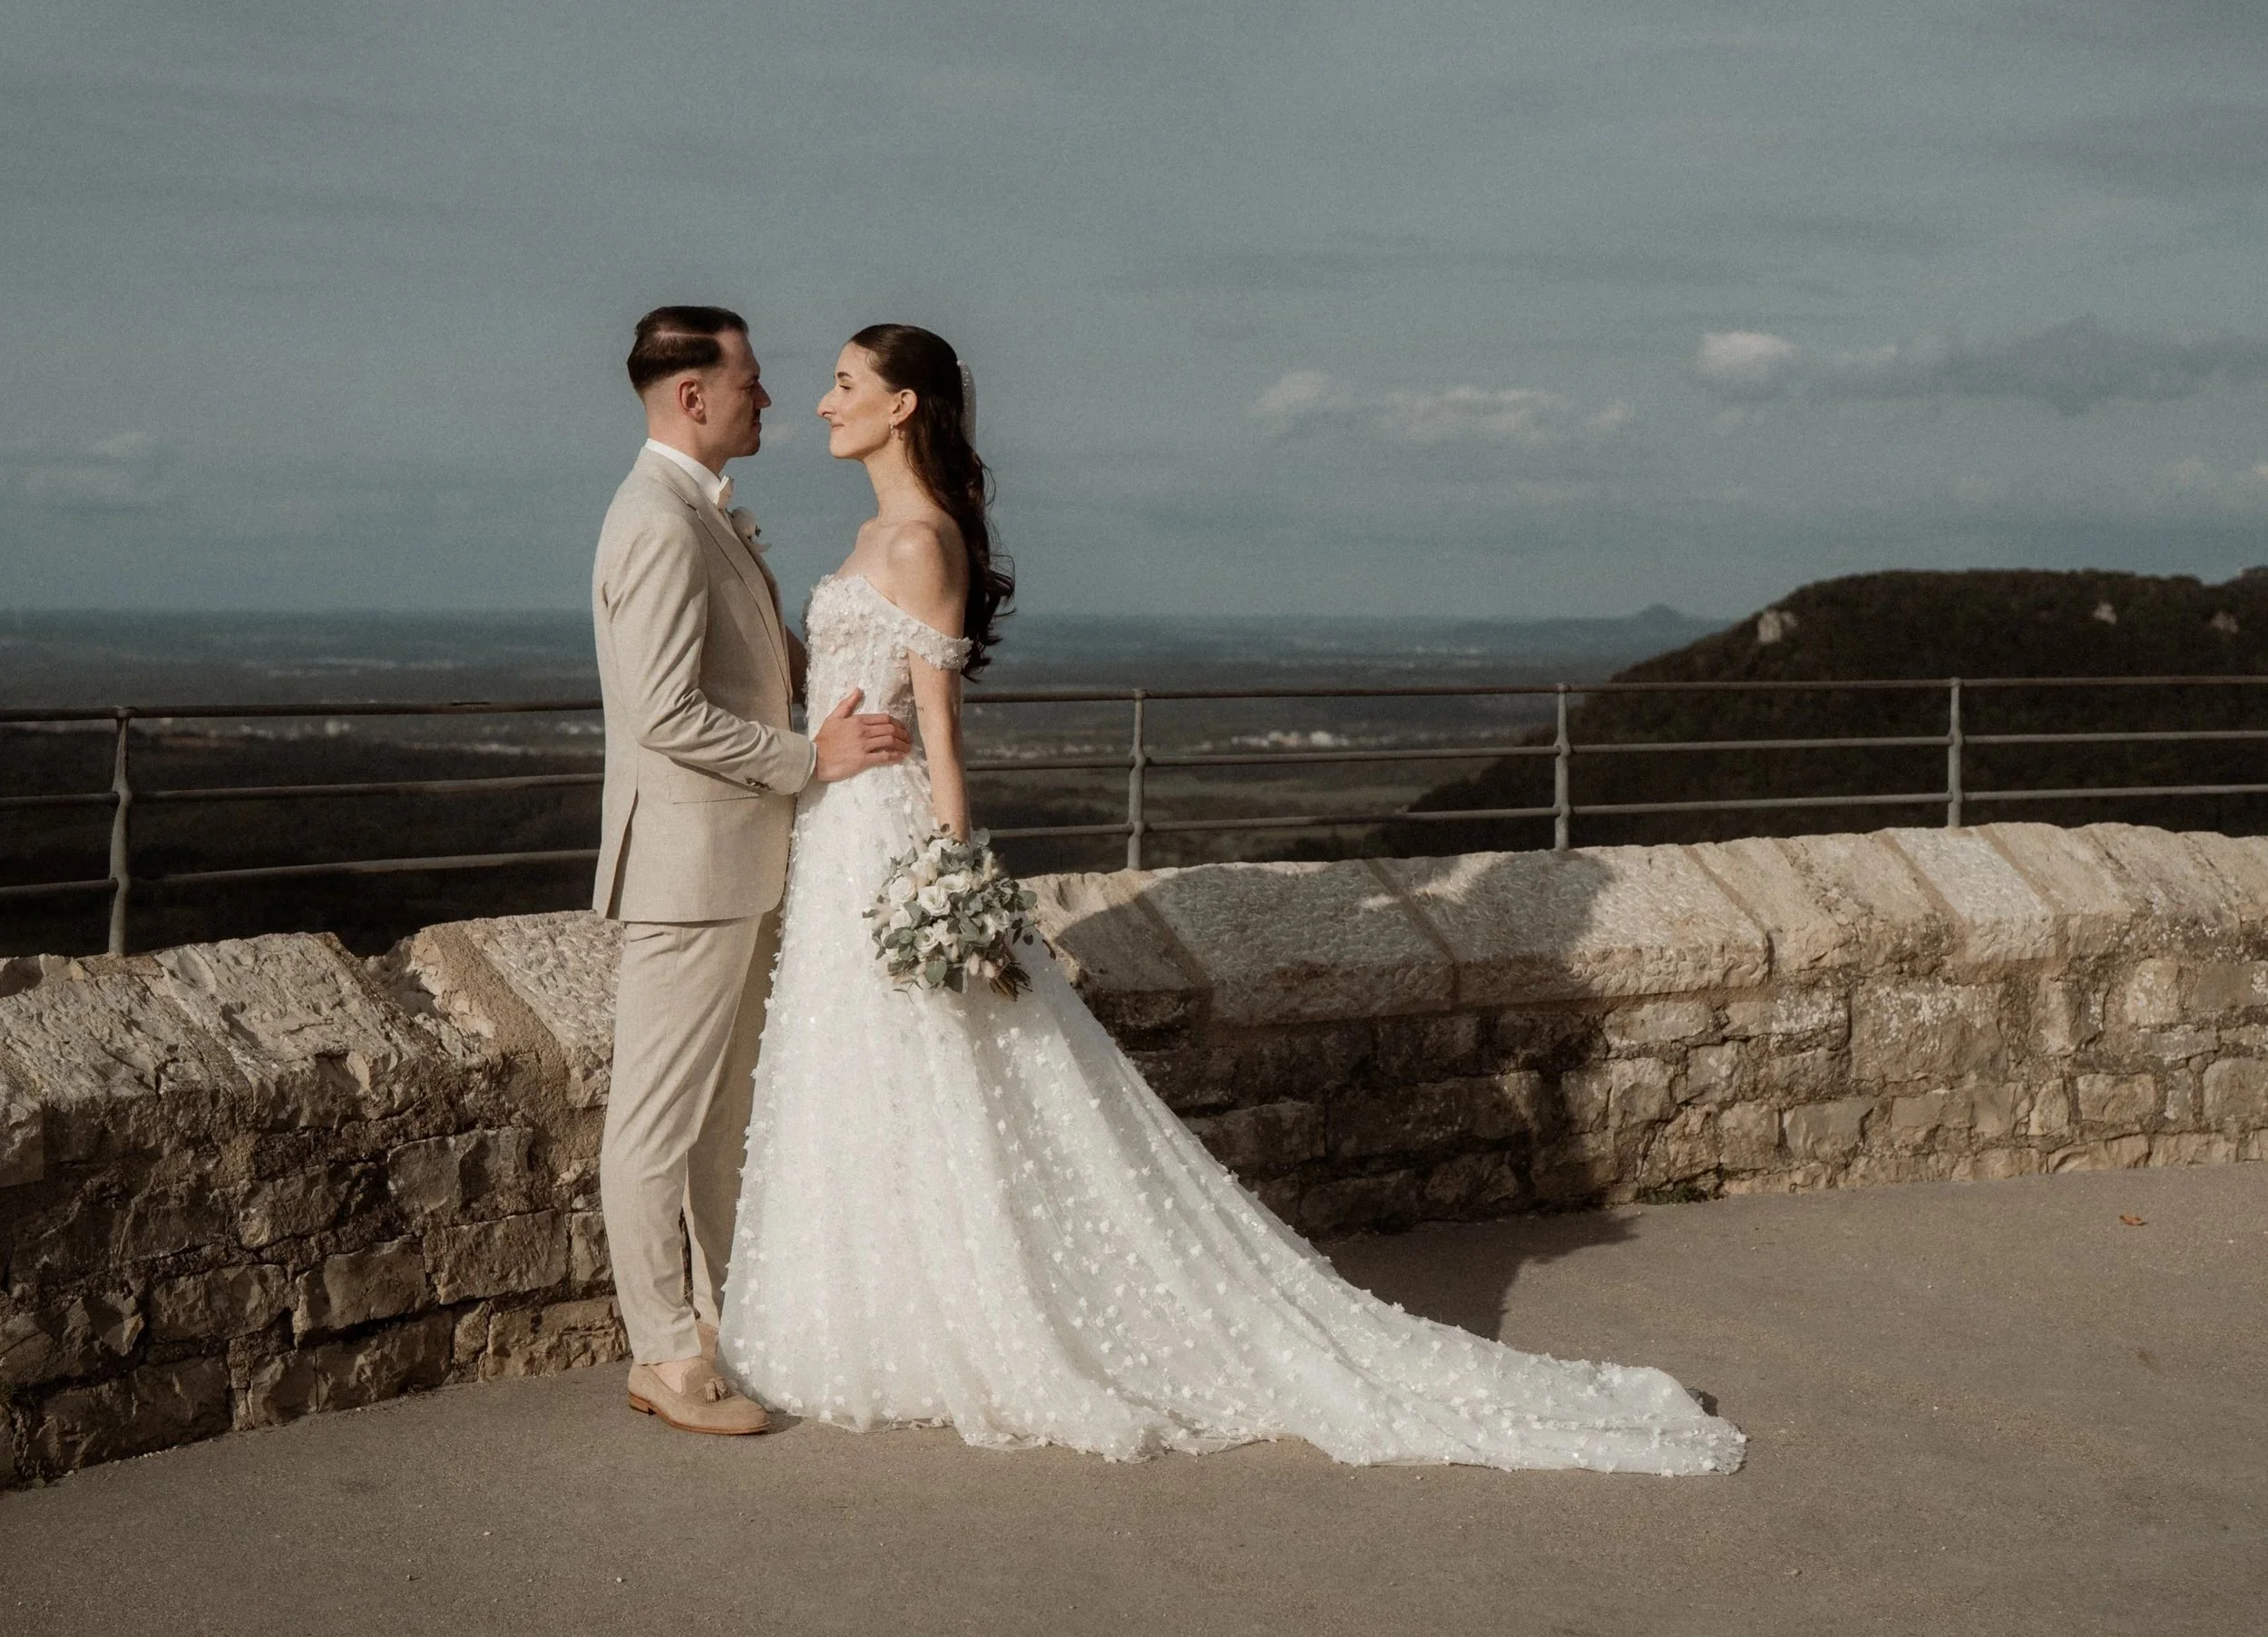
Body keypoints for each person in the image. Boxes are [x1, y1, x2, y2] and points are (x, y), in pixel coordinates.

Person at [715, 322, 1744, 1474]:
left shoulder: (918, 541)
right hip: (837, 832)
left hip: (887, 839)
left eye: (846, 382)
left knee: (939, 1069)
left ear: (903, 405)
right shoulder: (869, 532)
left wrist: (946, 880)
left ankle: (967, 1317)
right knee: (864, 1078)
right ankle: (881, 1319)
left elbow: (946, 744)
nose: (821, 402)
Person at [590, 306, 910, 1436]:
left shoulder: (698, 514)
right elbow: (666, 714)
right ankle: (665, 1355)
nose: (769, 399)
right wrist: (806, 757)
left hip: (735, 862)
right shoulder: (657, 522)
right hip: (687, 865)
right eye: (753, 381)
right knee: (654, 1122)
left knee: (725, 1119)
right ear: (691, 394)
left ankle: (735, 1322)